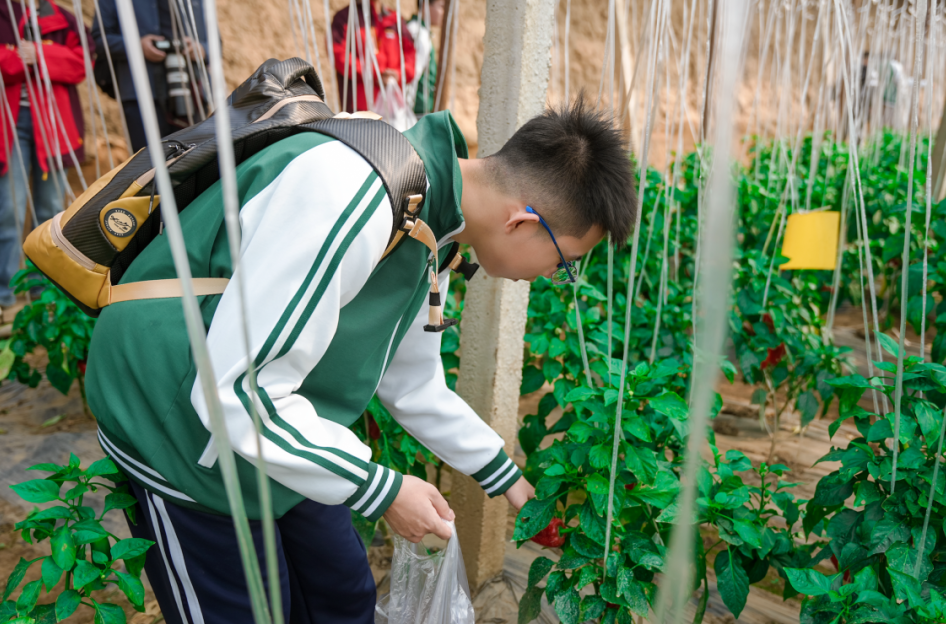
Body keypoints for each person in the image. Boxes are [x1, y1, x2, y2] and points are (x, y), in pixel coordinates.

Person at [84, 97, 637, 623]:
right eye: (565, 262)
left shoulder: (434, 224)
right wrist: (385, 491)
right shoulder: (356, 197)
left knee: (343, 595)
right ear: (522, 222)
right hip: (181, 422)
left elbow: (412, 382)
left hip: (277, 415)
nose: (554, 276)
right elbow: (236, 392)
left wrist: (508, 480)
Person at [0, 0, 92, 318]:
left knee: (51, 207)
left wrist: (41, 54)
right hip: (4, 125)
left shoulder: (62, 16)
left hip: (54, 125)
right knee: (9, 207)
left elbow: (82, 63)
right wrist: (17, 57)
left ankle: (46, 287)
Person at [91, 0, 207, 152]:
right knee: (147, 162)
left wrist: (201, 49)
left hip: (192, 92)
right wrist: (137, 46)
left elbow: (214, 44)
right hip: (139, 93)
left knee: (194, 158)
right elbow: (98, 39)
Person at [332, 0, 415, 112]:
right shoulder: (345, 18)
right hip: (360, 107)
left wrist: (398, 75)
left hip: (393, 107)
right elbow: (340, 56)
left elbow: (410, 56)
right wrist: (375, 74)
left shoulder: (394, 19)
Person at [406, 0, 444, 116]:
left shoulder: (422, 32)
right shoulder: (417, 33)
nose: (443, 12)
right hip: (414, 110)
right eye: (441, 7)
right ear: (425, 5)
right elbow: (411, 76)